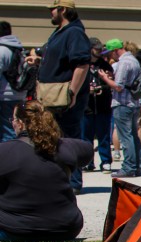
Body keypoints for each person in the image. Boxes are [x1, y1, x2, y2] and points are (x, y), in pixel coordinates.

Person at [0, 100, 92, 242]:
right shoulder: (65, 147)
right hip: (66, 228)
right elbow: (87, 150)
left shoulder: (5, 151)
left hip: (16, 230)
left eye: (13, 119)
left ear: (20, 123)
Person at [38, 0, 91, 194]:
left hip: (65, 96)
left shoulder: (74, 32)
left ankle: (73, 182)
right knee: (56, 138)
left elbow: (82, 64)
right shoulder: (60, 32)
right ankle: (61, 179)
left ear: (64, 10)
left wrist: (72, 92)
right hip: (52, 94)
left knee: (69, 138)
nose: (51, 12)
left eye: (53, 9)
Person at [98, 38, 141, 178]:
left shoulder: (123, 62)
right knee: (133, 136)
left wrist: (105, 78)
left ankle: (129, 167)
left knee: (126, 137)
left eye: (110, 53)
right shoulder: (134, 60)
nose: (110, 56)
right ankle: (137, 166)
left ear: (115, 51)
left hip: (123, 103)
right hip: (134, 103)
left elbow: (118, 86)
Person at [81, 37, 113, 173]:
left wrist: (102, 88)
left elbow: (111, 84)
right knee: (86, 137)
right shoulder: (82, 65)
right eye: (97, 48)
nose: (99, 51)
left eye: (101, 49)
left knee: (103, 135)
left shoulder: (105, 66)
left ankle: (105, 161)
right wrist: (86, 89)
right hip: (86, 107)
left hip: (102, 106)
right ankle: (88, 162)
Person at [0, 21, 26, 142]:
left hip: (4, 97)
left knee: (7, 131)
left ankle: (7, 158)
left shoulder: (2, 50)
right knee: (15, 128)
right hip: (19, 94)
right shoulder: (19, 49)